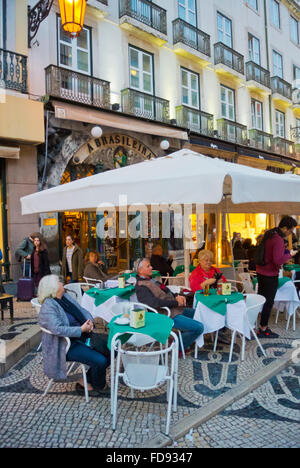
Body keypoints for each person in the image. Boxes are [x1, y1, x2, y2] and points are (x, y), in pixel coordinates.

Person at [38, 275, 110, 396]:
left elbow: (82, 310)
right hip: (65, 345)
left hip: (82, 337)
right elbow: (58, 329)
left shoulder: (65, 297)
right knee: (101, 361)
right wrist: (81, 329)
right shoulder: (48, 306)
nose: (62, 282)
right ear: (53, 288)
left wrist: (89, 321)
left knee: (112, 348)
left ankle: (85, 381)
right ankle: (99, 384)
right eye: (59, 282)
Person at [135, 258, 204, 356]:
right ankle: (178, 346)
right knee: (199, 327)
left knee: (200, 313)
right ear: (140, 270)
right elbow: (154, 303)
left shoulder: (150, 279)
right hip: (165, 315)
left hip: (174, 309)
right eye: (148, 266)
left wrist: (177, 296)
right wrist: (175, 302)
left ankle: (181, 338)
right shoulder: (141, 286)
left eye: (150, 265)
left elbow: (166, 290)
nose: (151, 267)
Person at [256, 216, 298, 338]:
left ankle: (259, 325)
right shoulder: (278, 239)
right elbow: (278, 260)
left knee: (262, 300)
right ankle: (263, 329)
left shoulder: (270, 234)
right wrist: (289, 255)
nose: (289, 234)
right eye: (290, 231)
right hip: (270, 274)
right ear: (285, 228)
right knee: (268, 302)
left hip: (261, 272)